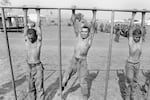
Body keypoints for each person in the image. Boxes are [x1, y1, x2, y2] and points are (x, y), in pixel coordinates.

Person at [58, 9, 97, 100]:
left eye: (85, 32)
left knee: (82, 81)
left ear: (88, 33)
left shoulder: (89, 39)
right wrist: (73, 11)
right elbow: (73, 21)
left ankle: (85, 97)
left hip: (82, 62)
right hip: (74, 59)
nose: (83, 33)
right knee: (66, 76)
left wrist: (94, 13)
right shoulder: (78, 36)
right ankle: (63, 88)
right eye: (82, 31)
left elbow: (93, 25)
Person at [24, 9, 44, 100]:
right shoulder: (27, 41)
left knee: (39, 88)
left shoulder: (38, 42)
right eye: (29, 37)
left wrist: (38, 13)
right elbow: (25, 26)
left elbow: (39, 27)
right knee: (30, 89)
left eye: (32, 37)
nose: (30, 39)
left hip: (37, 66)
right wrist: (25, 12)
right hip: (28, 66)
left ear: (35, 36)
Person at [124, 13, 144, 100]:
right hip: (130, 64)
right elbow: (131, 29)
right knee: (129, 80)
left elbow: (142, 28)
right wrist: (133, 15)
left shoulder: (139, 43)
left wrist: (143, 15)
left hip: (137, 64)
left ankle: (133, 95)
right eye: (135, 37)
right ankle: (127, 96)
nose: (137, 38)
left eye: (138, 37)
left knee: (135, 81)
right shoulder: (131, 42)